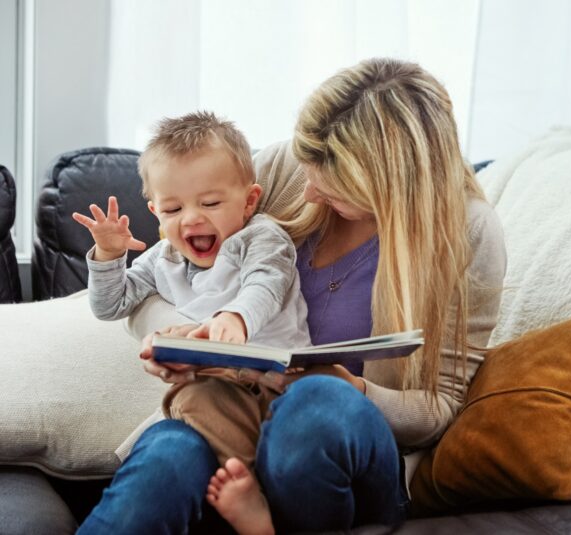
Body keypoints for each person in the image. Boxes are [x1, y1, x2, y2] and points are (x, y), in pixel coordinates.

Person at [76, 58, 507, 535]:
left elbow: (441, 406)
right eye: (309, 170)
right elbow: (166, 268)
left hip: (345, 440)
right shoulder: (288, 166)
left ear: (389, 183)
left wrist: (354, 387)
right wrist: (184, 341)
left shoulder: (465, 231)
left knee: (314, 401)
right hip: (236, 408)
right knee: (167, 455)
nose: (311, 193)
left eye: (335, 186)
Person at [72, 111, 310, 469]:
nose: (192, 218)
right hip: (215, 387)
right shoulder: (161, 258)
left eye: (210, 203)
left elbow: (266, 283)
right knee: (176, 423)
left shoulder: (261, 237)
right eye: (173, 208)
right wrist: (109, 254)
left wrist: (236, 318)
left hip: (282, 385)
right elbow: (110, 305)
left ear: (248, 201)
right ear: (155, 212)